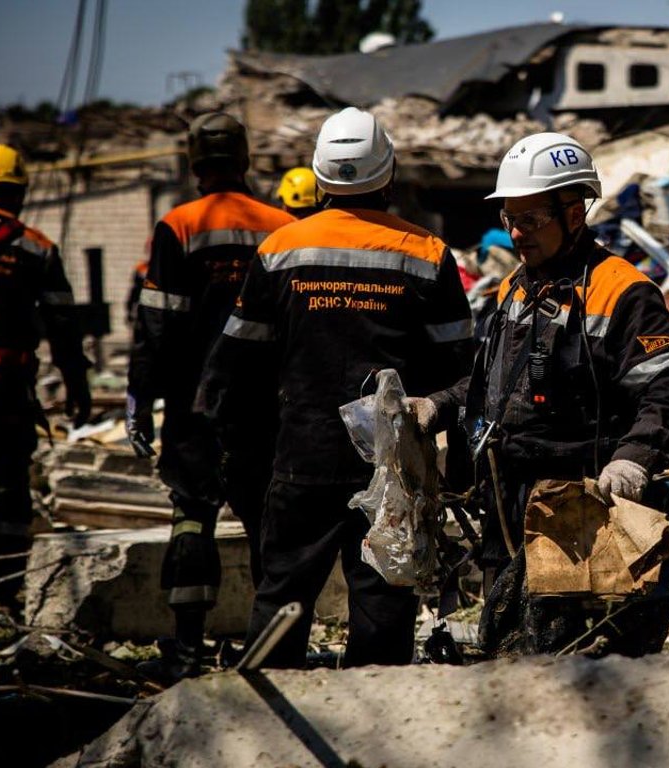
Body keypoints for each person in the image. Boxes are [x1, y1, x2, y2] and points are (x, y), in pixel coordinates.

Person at [198, 107, 472, 668]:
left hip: (301, 453)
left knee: (282, 595)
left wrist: (230, 449)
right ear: (388, 175)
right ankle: (370, 737)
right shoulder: (428, 255)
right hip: (392, 463)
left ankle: (259, 723)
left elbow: (234, 365)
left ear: (321, 178)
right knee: (382, 600)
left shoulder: (280, 251)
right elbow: (466, 374)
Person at [405, 132, 669, 658]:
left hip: (585, 513)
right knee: (510, 659)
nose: (517, 233)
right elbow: (494, 380)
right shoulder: (514, 287)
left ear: (575, 212)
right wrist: (440, 403)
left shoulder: (623, 292)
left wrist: (633, 460)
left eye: (531, 220)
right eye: (509, 220)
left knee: (582, 665)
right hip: (510, 505)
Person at [127, 113, 295, 681]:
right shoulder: (281, 224)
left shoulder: (179, 225)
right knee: (265, 524)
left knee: (191, 518)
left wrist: (138, 396)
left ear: (194, 162)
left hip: (192, 404)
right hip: (264, 406)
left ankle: (190, 648)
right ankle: (271, 648)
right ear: (245, 158)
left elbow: (157, 323)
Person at [0, 145, 92, 631]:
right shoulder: (37, 247)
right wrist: (78, 384)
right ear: (22, 190)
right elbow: (63, 327)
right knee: (11, 485)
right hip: (7, 380)